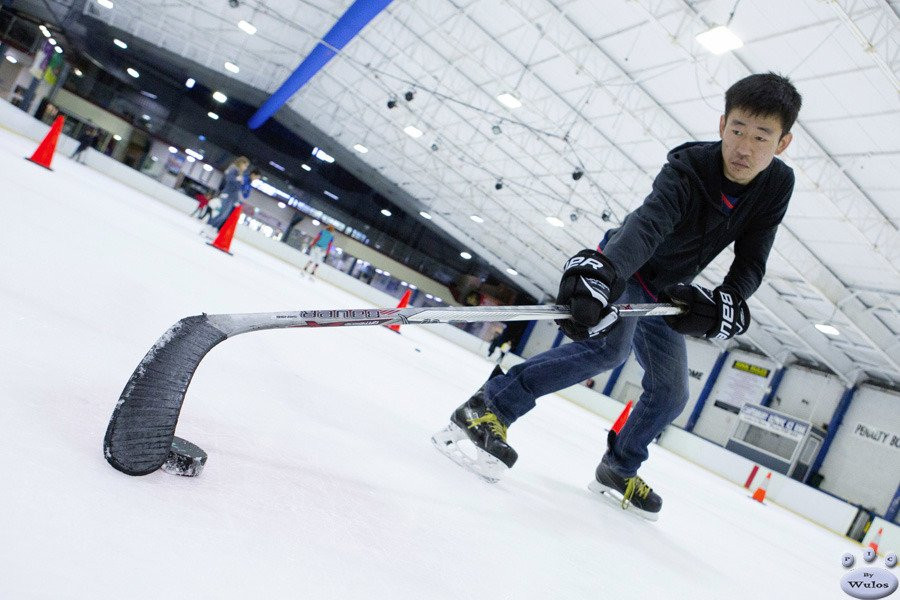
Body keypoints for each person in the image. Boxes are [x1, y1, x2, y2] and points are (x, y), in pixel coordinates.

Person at [433, 72, 802, 520]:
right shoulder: (689, 167)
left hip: (667, 291)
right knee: (609, 348)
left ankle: (618, 468)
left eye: (761, 137)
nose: (744, 147)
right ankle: (486, 408)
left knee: (671, 393)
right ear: (722, 123)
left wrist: (728, 300)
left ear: (781, 144)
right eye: (737, 129)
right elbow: (647, 224)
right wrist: (606, 273)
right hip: (626, 266)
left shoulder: (776, 185)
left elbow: (752, 256)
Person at [202, 157, 250, 238]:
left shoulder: (239, 173)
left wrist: (236, 199)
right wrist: (237, 179)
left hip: (232, 197)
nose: (245, 168)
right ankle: (208, 228)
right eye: (245, 165)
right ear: (241, 163)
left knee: (224, 215)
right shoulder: (234, 168)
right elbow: (229, 178)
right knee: (221, 214)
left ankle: (213, 229)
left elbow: (237, 188)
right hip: (227, 194)